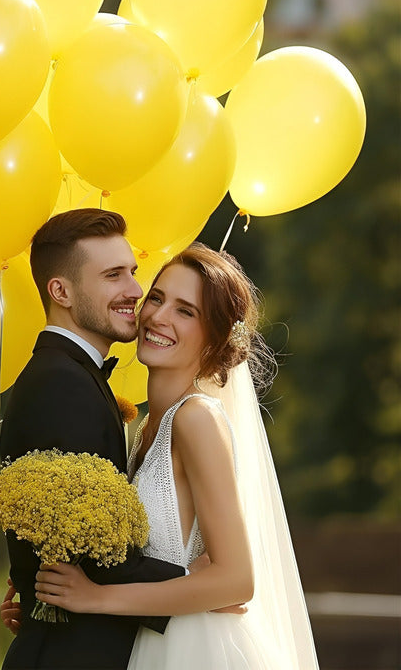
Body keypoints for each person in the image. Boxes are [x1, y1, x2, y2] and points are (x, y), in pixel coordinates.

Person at [32, 242, 320, 670]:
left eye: (186, 311)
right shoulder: (146, 428)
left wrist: (94, 596)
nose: (158, 317)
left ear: (214, 339)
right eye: (158, 298)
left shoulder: (195, 420)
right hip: (146, 642)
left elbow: (236, 580)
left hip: (195, 650)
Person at [0, 208, 185, 670]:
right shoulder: (61, 382)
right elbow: (94, 555)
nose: (135, 291)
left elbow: (57, 524)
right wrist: (196, 585)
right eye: (113, 276)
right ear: (60, 291)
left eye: (133, 273)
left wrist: (26, 575)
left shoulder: (71, 375)